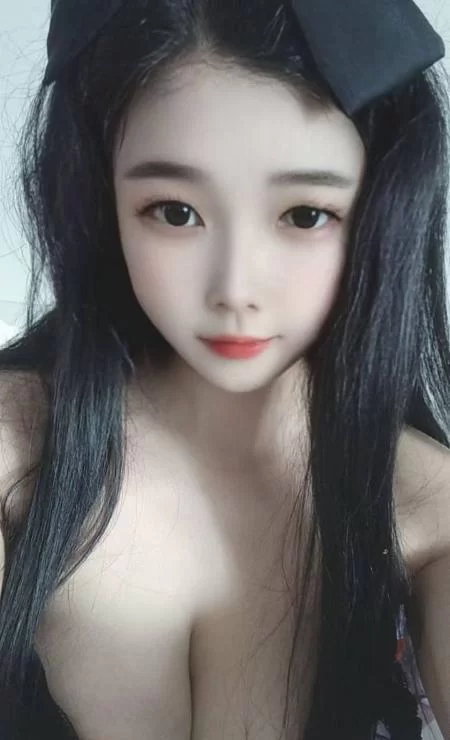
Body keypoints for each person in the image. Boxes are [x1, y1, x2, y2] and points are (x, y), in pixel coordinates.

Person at [0, 0, 449, 738]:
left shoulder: (431, 517)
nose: (235, 288)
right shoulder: (16, 455)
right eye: (175, 212)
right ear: (100, 199)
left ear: (381, 212)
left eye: (304, 215)